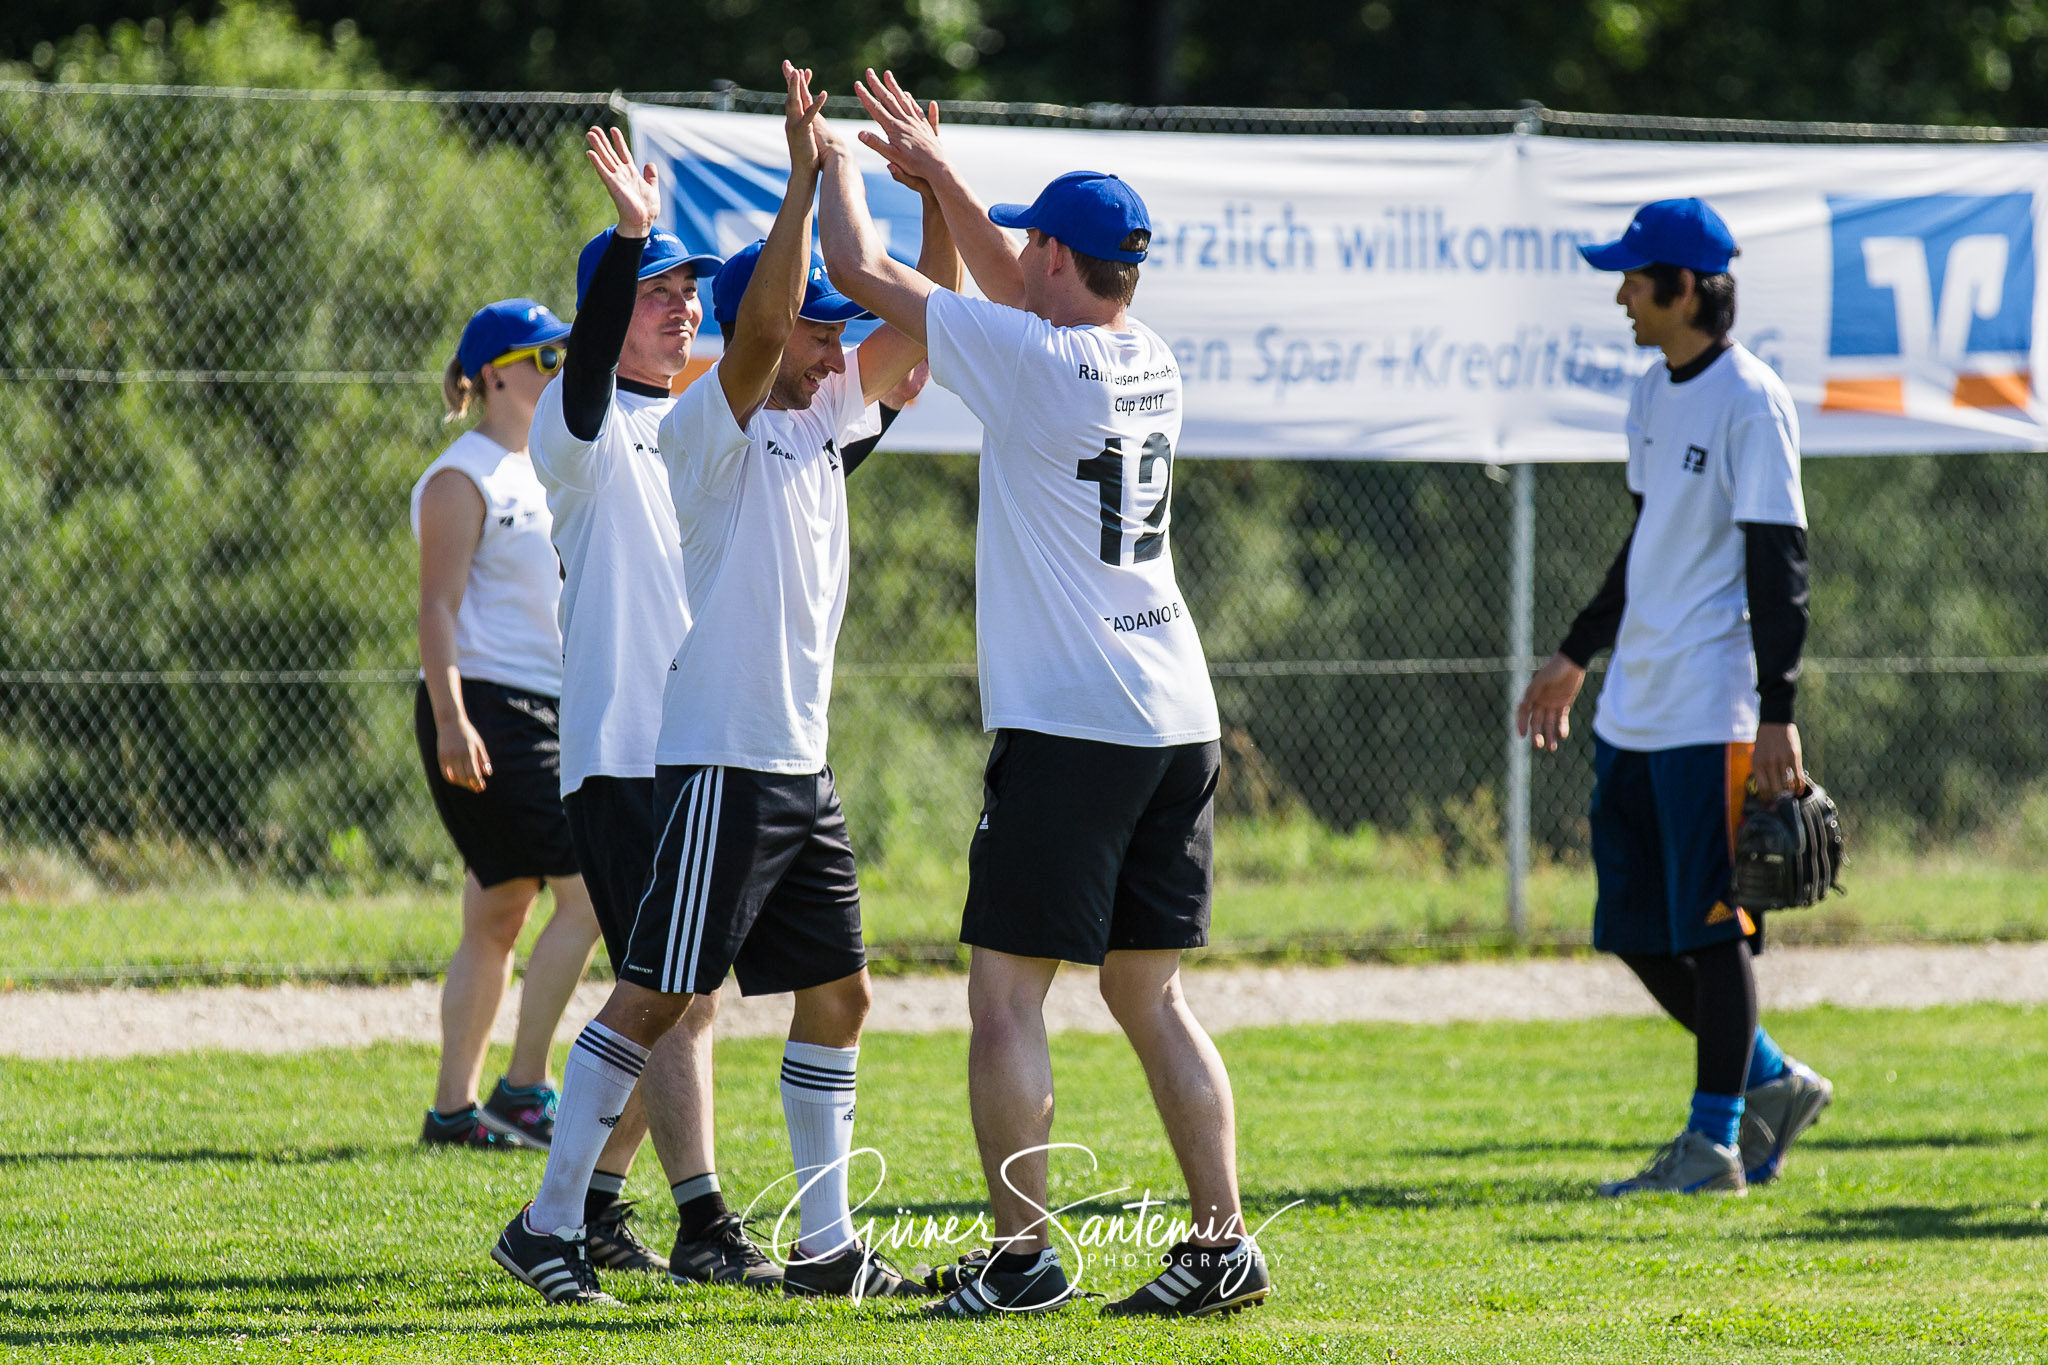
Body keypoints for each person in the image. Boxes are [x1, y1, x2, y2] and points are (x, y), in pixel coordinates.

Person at [496, 69, 955, 1305]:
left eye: (687, 289)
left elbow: (919, 327)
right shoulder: (689, 425)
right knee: (662, 994)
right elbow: (744, 340)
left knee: (832, 995)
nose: (836, 345)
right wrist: (789, 185)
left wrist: (925, 189)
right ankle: (562, 1219)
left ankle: (817, 1244)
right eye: (818, 328)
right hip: (689, 751)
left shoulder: (819, 418)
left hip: (791, 762)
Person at [818, 69, 1271, 1319]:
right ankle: (1221, 1244)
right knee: (1146, 992)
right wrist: (944, 180)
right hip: (1175, 715)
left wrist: (838, 159)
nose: (1013, 255)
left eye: (1032, 243)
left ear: (1059, 258)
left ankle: (1021, 1260)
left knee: (1006, 996)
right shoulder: (1144, 354)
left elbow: (855, 270)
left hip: (1075, 724)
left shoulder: (1033, 362)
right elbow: (1018, 294)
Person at [1515, 198, 1835, 1197]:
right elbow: (1647, 543)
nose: (1621, 295)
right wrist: (1576, 652)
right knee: (1634, 928)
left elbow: (1778, 564)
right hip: (1635, 704)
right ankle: (1770, 1078)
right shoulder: (1653, 392)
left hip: (1711, 703)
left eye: (1634, 278)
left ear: (1685, 288)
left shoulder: (1751, 399)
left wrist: (1776, 711)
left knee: (1710, 924)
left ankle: (1712, 1144)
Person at [489, 126, 745, 1302]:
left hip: (694, 749)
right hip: (620, 752)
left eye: (688, 289)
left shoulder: (691, 424)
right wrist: (626, 241)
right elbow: (587, 365)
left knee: (683, 996)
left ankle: (594, 1206)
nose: (681, 306)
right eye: (656, 290)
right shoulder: (574, 425)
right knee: (666, 996)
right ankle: (687, 1220)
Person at [413, 298, 608, 1156]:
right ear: (493, 374)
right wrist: (452, 718)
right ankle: (524, 1090)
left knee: (497, 913)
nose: (558, 369)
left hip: (546, 707)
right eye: (543, 357)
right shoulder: (463, 476)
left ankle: (452, 1111)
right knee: (589, 893)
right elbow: (436, 608)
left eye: (563, 354)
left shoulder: (548, 464)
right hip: (490, 708)